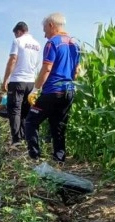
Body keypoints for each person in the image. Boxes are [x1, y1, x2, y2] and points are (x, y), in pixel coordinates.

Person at [24, 12, 81, 164]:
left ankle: (34, 157)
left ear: (51, 25)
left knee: (30, 122)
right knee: (58, 126)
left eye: (45, 30)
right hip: (69, 91)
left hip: (52, 92)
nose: (45, 35)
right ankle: (59, 159)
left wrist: (35, 90)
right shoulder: (75, 44)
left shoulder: (52, 43)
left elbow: (47, 68)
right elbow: (76, 72)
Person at [1, 22, 41, 145]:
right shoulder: (37, 44)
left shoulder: (18, 41)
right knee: (26, 111)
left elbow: (13, 59)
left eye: (15, 34)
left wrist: (5, 80)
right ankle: (25, 137)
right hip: (30, 82)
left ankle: (16, 140)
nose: (15, 36)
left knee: (14, 110)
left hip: (17, 81)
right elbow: (36, 63)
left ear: (19, 31)